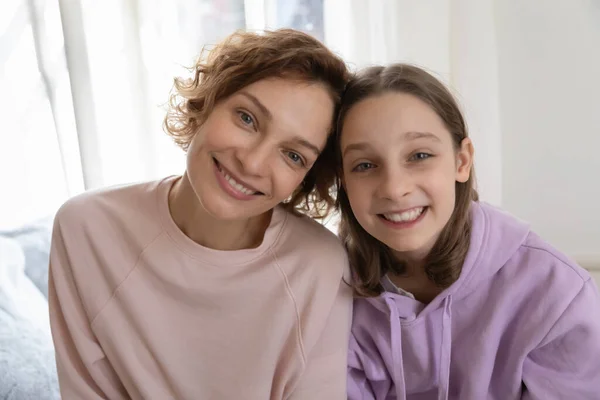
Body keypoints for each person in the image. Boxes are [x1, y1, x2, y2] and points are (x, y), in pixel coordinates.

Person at [48, 29, 353, 399]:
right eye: (247, 118)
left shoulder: (319, 266)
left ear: (306, 178)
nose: (252, 162)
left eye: (293, 155)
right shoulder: (86, 228)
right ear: (209, 100)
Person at [336, 64, 600, 399]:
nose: (394, 188)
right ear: (342, 182)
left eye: (419, 155)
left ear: (462, 161)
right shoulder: (330, 289)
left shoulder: (556, 294)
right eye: (365, 165)